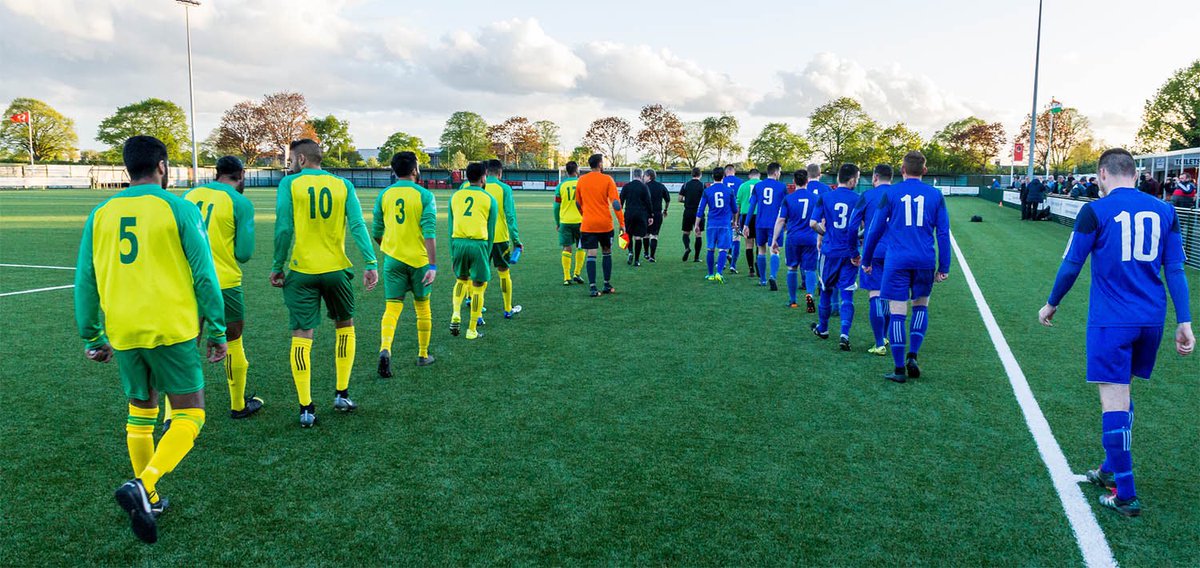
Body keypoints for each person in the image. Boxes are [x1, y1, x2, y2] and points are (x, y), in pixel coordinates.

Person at [75, 135, 227, 543]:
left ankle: (152, 499)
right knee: (191, 415)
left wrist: (92, 334)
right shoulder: (178, 207)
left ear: (128, 169)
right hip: (172, 328)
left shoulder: (101, 213)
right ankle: (146, 482)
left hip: (124, 330)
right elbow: (204, 273)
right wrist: (216, 329)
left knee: (141, 414)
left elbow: (85, 280)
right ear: (162, 167)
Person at [1039, 148, 1193, 517]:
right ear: (1135, 175)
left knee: (1113, 400)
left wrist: (1052, 302)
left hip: (1112, 320)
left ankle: (1125, 493)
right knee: (1123, 396)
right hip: (1152, 319)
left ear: (1103, 174)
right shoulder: (1166, 210)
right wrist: (1184, 321)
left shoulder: (1095, 210)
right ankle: (1109, 467)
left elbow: (1072, 264)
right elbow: (1175, 269)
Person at [271, 138, 378, 427]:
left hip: (301, 271)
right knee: (345, 325)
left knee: (302, 334)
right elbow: (357, 225)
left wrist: (276, 267)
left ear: (302, 160)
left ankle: (306, 408)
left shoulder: (289, 184)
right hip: (336, 270)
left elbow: (283, 229)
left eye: (292, 160)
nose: (291, 165)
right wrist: (370, 262)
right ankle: (342, 394)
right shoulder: (343, 185)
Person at [861, 151, 951, 383]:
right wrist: (944, 266)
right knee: (921, 307)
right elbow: (942, 233)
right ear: (925, 170)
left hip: (897, 261)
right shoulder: (936, 195)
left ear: (902, 170)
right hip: (924, 260)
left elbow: (875, 229)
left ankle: (899, 369)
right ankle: (913, 355)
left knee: (898, 314)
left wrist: (867, 259)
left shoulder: (891, 193)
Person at [183, 156, 262, 419]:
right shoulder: (240, 202)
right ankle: (238, 405)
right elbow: (244, 253)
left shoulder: (189, 195)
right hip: (224, 283)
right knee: (234, 341)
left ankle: (173, 414)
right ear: (241, 174)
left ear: (217, 173)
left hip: (188, 282)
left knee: (185, 344)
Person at [373, 151, 437, 374]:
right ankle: (422, 354)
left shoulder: (384, 195)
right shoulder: (425, 195)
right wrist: (433, 265)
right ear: (414, 170)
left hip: (393, 260)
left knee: (392, 308)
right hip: (419, 261)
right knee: (422, 308)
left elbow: (376, 231)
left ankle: (385, 348)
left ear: (394, 171)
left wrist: (390, 249)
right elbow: (429, 232)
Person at [809, 163, 864, 351]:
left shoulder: (825, 197)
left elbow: (813, 223)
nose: (857, 181)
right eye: (856, 178)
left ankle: (823, 329)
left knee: (826, 289)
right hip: (850, 252)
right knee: (847, 293)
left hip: (830, 251)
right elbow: (865, 226)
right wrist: (857, 236)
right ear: (850, 180)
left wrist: (825, 233)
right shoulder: (859, 198)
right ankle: (844, 334)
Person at [448, 162, 498, 340]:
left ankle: (456, 313)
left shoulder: (455, 196)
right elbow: (491, 230)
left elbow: (450, 225)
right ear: (484, 176)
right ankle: (471, 330)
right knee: (478, 286)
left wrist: (452, 249)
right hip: (479, 245)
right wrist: (488, 251)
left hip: (458, 242)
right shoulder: (489, 199)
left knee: (461, 280)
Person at [855, 164, 894, 356]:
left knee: (875, 294)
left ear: (875, 177)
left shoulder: (867, 196)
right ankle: (885, 336)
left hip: (874, 251)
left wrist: (854, 250)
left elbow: (853, 226)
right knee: (889, 295)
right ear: (892, 178)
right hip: (897, 253)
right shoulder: (899, 195)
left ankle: (879, 343)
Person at [575, 153, 625, 296]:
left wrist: (585, 215)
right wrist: (622, 223)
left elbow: (578, 203)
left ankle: (592, 288)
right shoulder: (607, 179)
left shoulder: (582, 180)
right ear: (600, 164)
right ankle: (607, 285)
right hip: (604, 224)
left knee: (591, 254)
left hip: (588, 224)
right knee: (606, 252)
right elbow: (616, 203)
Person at [772, 169, 819, 312]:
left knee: (792, 268)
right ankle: (810, 294)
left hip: (793, 238)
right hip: (811, 238)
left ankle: (792, 301)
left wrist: (774, 239)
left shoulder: (788, 199)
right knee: (810, 269)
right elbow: (821, 220)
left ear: (794, 182)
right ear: (807, 181)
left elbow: (781, 220)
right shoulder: (816, 198)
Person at [483, 160, 522, 319]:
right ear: (500, 173)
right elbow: (510, 216)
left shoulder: (470, 186)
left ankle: (475, 305)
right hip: (499, 238)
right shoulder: (504, 188)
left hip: (480, 238)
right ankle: (507, 309)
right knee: (504, 273)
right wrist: (516, 240)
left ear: (485, 172)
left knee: (479, 273)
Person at [747, 162, 787, 290]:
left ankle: (763, 280)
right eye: (779, 172)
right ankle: (773, 276)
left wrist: (746, 224)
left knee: (761, 250)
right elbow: (786, 207)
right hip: (775, 224)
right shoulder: (782, 187)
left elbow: (751, 206)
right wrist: (786, 223)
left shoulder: (758, 186)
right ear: (776, 172)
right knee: (774, 250)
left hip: (760, 223)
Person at [695, 166, 738, 283]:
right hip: (724, 224)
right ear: (723, 176)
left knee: (710, 249)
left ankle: (710, 274)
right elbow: (735, 209)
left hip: (712, 224)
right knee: (723, 249)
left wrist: (697, 224)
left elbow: (701, 209)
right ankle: (719, 272)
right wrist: (734, 221)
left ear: (712, 177)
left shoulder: (707, 191)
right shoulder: (729, 191)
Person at [554, 161, 587, 285]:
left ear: (566, 172)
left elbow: (556, 207)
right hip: (581, 221)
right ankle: (577, 274)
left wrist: (557, 222)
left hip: (565, 221)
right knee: (581, 246)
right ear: (577, 170)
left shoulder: (560, 186)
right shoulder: (582, 184)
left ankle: (566, 277)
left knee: (567, 248)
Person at [619, 168, 653, 267]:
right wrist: (650, 215)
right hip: (641, 214)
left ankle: (630, 252)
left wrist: (620, 214)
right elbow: (648, 202)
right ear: (641, 176)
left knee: (628, 234)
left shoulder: (626, 186)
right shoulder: (644, 187)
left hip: (629, 213)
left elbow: (620, 201)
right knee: (638, 237)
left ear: (633, 175)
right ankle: (637, 260)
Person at [735, 169, 761, 276]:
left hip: (746, 216)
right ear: (759, 176)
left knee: (748, 244)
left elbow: (738, 205)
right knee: (760, 244)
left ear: (749, 176)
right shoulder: (762, 184)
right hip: (760, 216)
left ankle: (751, 269)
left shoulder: (743, 186)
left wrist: (736, 221)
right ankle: (759, 266)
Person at [678, 167, 705, 262]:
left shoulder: (685, 185)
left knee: (686, 233)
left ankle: (687, 248)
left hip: (688, 211)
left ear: (691, 174)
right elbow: (705, 199)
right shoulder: (702, 185)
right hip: (698, 212)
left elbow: (680, 199)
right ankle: (696, 257)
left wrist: (687, 201)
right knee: (698, 234)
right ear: (700, 175)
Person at [645, 168, 670, 262]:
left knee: (646, 234)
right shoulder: (661, 186)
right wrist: (665, 210)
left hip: (646, 214)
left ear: (649, 176)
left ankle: (646, 253)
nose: (643, 177)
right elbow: (667, 199)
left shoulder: (644, 186)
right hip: (657, 213)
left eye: (644, 176)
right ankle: (652, 256)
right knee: (654, 235)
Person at [722, 165, 744, 273]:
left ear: (726, 172)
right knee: (736, 238)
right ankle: (733, 265)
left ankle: (722, 262)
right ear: (734, 171)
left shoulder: (722, 181)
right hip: (737, 214)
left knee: (724, 237)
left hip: (724, 214)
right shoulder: (741, 182)